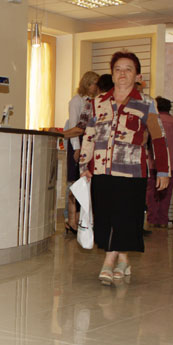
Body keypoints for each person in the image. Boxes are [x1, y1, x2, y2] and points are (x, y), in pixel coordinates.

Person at [80, 51, 170, 285]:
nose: (122, 73)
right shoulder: (98, 102)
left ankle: (109, 262)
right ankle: (123, 260)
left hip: (131, 171)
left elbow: (158, 138)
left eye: (128, 69)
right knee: (105, 218)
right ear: (112, 74)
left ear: (137, 75)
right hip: (101, 170)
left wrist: (163, 170)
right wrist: (84, 165)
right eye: (118, 69)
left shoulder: (147, 103)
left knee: (124, 218)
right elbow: (89, 135)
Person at [62, 71, 100, 233]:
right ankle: (70, 218)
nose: (95, 87)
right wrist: (77, 148)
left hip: (87, 142)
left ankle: (81, 218)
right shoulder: (76, 101)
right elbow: (74, 125)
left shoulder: (93, 101)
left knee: (84, 181)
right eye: (94, 84)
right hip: (76, 142)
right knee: (74, 181)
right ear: (87, 83)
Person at [146, 96, 173, 227]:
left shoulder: (150, 120)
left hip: (152, 164)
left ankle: (152, 219)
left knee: (151, 194)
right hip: (171, 165)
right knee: (166, 195)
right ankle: (163, 220)